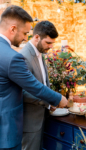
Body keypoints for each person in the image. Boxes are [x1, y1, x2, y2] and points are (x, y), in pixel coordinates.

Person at [0, 5, 68, 150]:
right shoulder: (14, 57)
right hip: (10, 129)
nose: (26, 37)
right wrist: (57, 99)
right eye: (25, 33)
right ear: (12, 29)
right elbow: (33, 87)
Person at [20, 21, 60, 150]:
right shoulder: (24, 57)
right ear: (36, 37)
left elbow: (42, 83)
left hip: (42, 117)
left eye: (52, 43)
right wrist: (49, 101)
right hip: (30, 123)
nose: (51, 46)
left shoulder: (39, 52)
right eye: (48, 43)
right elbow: (23, 92)